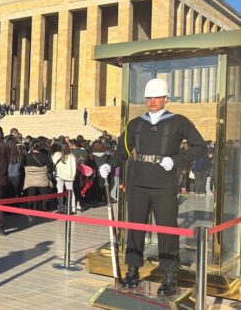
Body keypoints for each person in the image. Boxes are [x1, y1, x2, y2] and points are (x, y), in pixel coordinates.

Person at [99, 78, 206, 296]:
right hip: (137, 182)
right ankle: (133, 269)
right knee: (135, 227)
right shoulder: (135, 123)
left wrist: (176, 161)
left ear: (166, 98)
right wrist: (109, 165)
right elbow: (123, 150)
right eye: (149, 97)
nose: (152, 101)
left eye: (157, 97)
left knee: (167, 229)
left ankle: (169, 275)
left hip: (163, 184)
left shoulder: (179, 121)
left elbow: (200, 147)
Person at [51, 142, 76, 213]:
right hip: (69, 176)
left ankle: (61, 207)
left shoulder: (56, 155)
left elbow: (53, 162)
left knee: (60, 191)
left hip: (59, 175)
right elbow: (74, 167)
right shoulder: (72, 156)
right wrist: (73, 175)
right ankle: (72, 207)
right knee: (71, 191)